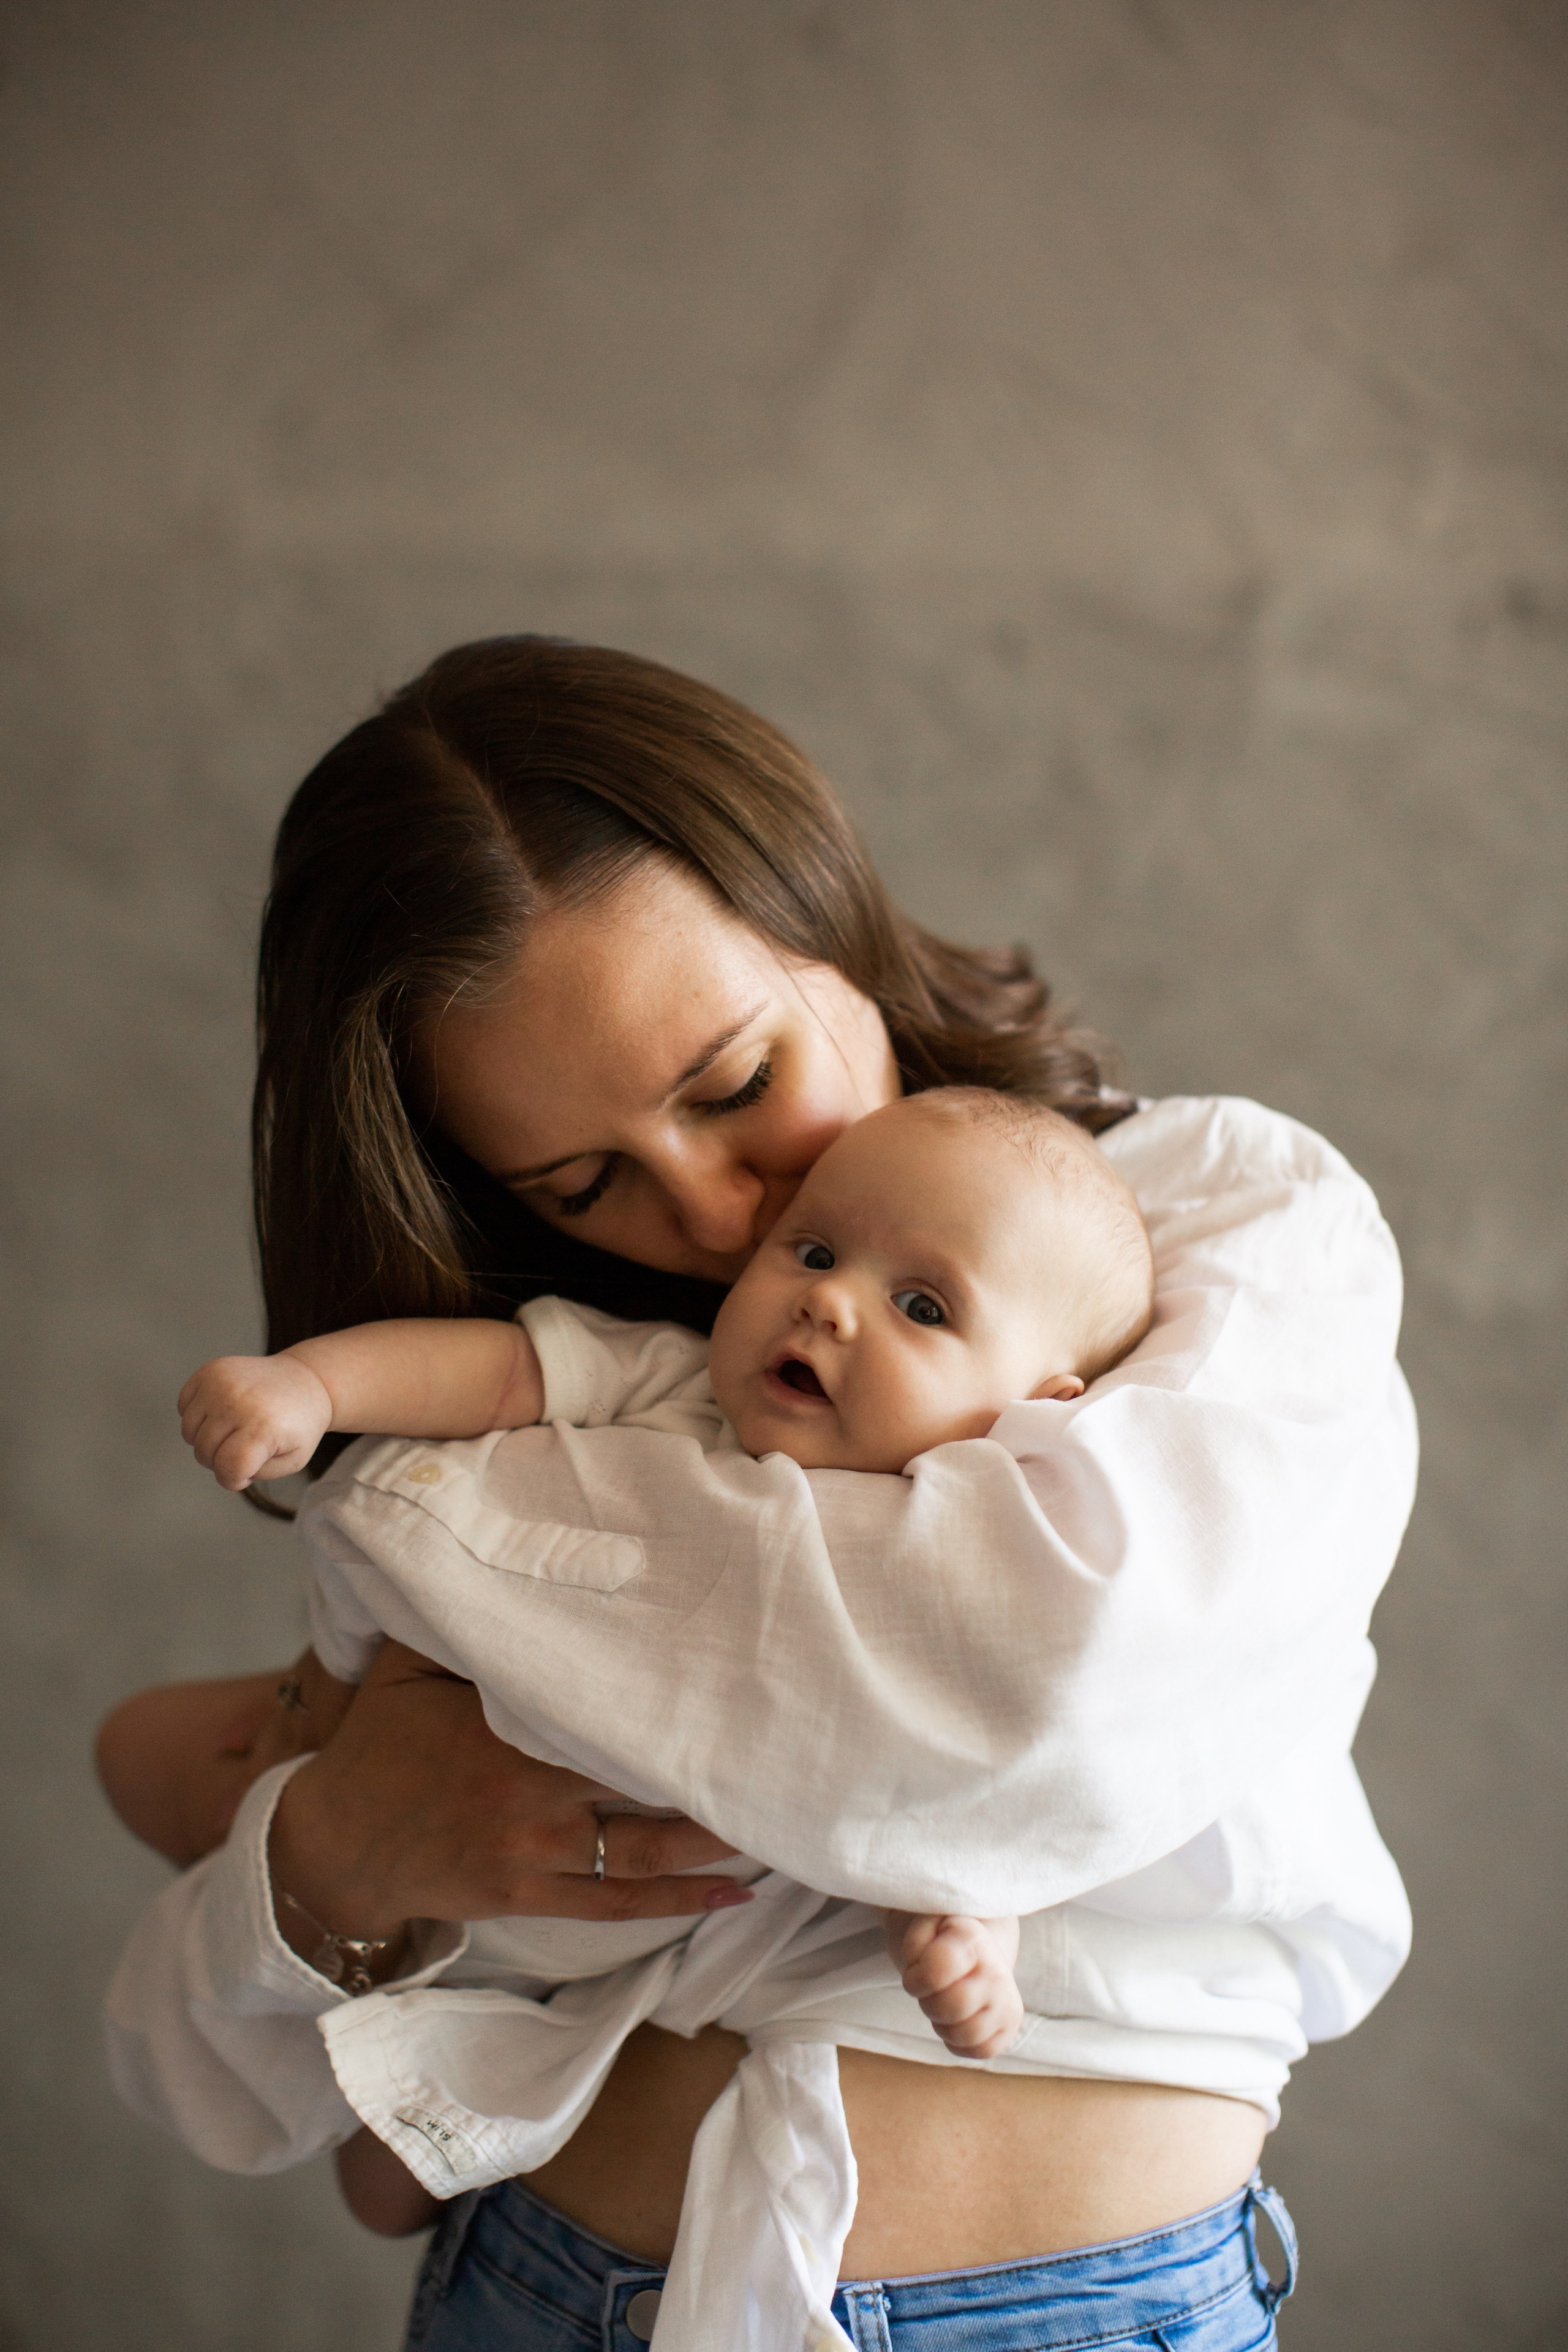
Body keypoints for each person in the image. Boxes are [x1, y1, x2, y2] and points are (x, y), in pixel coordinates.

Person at [99, 636, 1415, 2350]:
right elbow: (195, 2076)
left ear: (829, 919)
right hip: (540, 2289)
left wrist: (414, 1580)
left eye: (736, 1086)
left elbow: (1031, 1675)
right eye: (589, 1184)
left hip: (1071, 2302)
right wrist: (342, 1850)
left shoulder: (1205, 1218)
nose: (722, 1221)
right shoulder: (597, 1370)